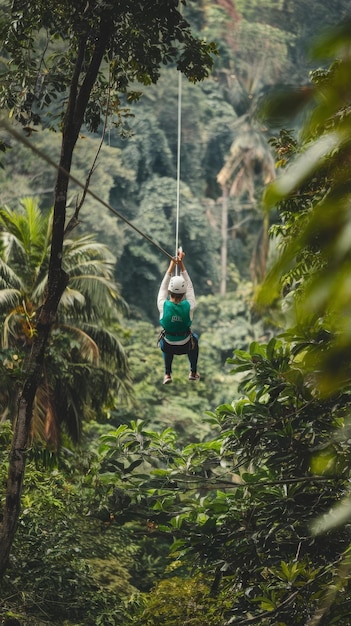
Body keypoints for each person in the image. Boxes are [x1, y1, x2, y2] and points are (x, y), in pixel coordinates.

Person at [157, 248, 200, 385]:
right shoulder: (190, 306)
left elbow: (163, 287)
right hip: (186, 346)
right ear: (183, 294)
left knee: (166, 341)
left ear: (170, 292)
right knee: (195, 339)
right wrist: (181, 264)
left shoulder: (162, 305)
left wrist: (172, 265)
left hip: (168, 346)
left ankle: (167, 374)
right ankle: (193, 371)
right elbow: (190, 287)